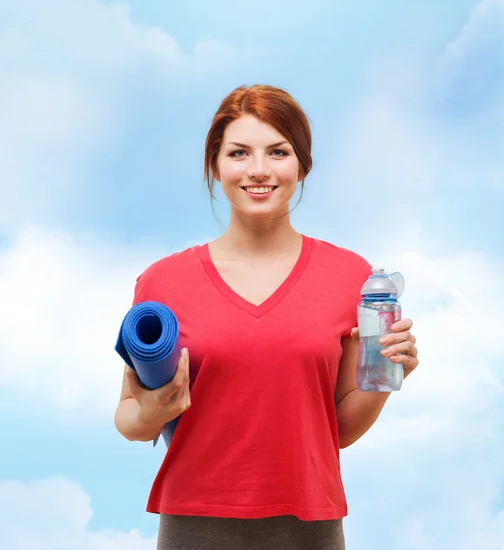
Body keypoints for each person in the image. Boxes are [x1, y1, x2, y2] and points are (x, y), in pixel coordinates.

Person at [114, 84, 419, 550]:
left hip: (308, 523)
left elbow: (337, 431)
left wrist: (385, 374)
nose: (258, 170)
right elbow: (129, 418)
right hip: (196, 522)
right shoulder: (163, 282)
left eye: (278, 152)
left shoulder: (350, 277)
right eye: (239, 153)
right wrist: (154, 411)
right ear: (216, 165)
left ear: (302, 164)